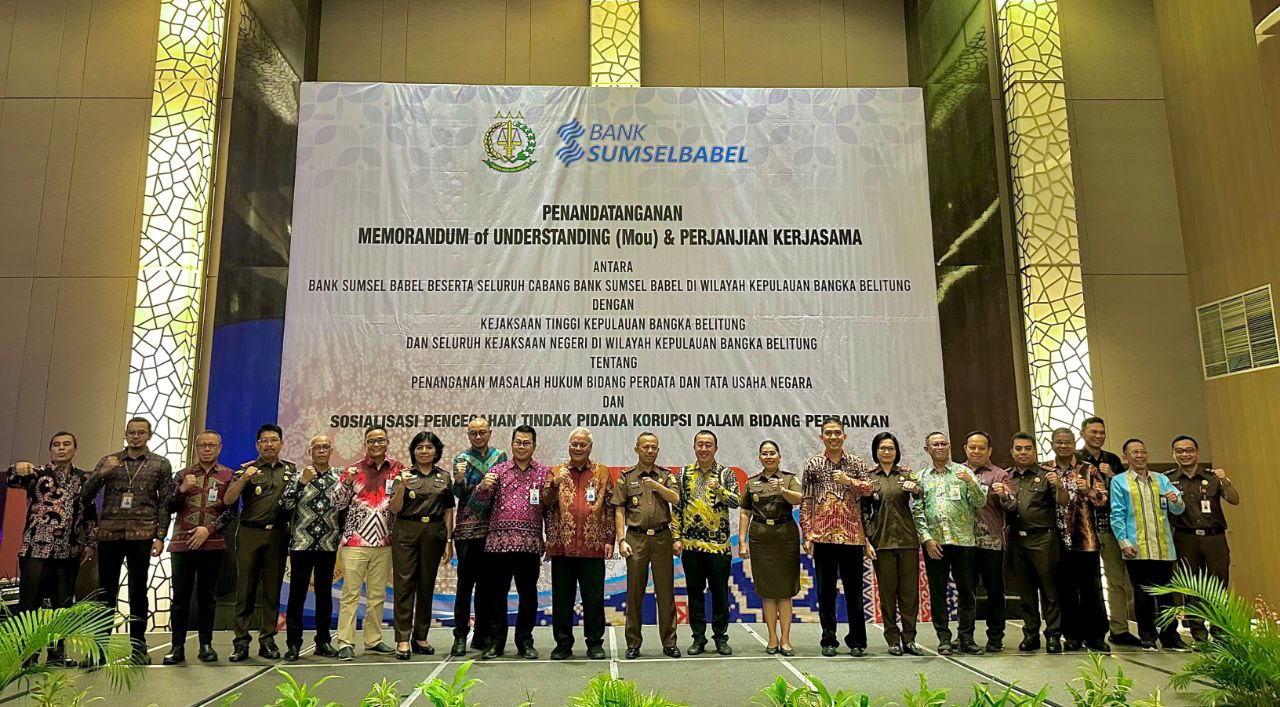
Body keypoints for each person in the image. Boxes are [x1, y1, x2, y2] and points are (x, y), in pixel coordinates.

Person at [82, 416, 173, 663]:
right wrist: (102, 474)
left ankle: (138, 647)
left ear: (149, 435)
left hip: (142, 534)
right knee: (105, 592)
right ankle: (99, 648)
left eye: (141, 433)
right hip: (109, 533)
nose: (136, 436)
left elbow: (165, 503)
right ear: (125, 434)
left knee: (137, 592)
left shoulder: (160, 464)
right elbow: (85, 495)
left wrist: (161, 535)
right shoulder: (109, 460)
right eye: (131, 432)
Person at [8, 431, 96, 666]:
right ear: (50, 450)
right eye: (56, 444)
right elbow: (12, 479)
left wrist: (89, 543)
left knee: (63, 606)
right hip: (35, 549)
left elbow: (89, 513)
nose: (61, 448)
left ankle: (57, 654)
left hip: (68, 550)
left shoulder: (83, 479)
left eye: (66, 444)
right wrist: (18, 467)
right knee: (30, 605)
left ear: (75, 450)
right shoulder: (37, 474)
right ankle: (28, 653)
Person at [800, 418, 874, 657]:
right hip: (823, 537)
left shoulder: (856, 463)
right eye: (828, 433)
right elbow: (807, 501)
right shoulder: (813, 465)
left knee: (854, 591)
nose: (833, 437)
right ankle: (828, 639)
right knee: (826, 592)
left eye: (837, 433)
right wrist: (807, 533)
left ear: (845, 436)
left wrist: (849, 481)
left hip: (852, 536)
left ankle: (857, 640)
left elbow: (869, 490)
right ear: (821, 437)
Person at [224, 423, 298, 662]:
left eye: (273, 440)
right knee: (245, 589)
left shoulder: (291, 470)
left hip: (277, 534)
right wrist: (244, 479)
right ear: (257, 445)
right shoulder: (247, 469)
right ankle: (241, 642)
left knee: (271, 590)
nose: (269, 444)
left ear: (281, 443)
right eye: (264, 440)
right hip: (249, 533)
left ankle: (267, 640)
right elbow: (228, 499)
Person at [474, 425, 548, 660]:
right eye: (518, 442)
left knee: (528, 596)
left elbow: (550, 508)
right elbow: (481, 500)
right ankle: (496, 642)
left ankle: (525, 641)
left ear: (534, 446)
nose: (521, 446)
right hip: (499, 544)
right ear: (512, 444)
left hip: (529, 545)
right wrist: (483, 486)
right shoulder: (499, 471)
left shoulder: (544, 473)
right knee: (497, 596)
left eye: (526, 443)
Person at [164, 430, 235, 664]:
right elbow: (169, 506)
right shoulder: (182, 475)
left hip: (212, 544)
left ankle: (206, 644)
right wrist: (181, 490)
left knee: (207, 596)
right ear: (196, 447)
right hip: (182, 545)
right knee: (180, 597)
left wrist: (209, 529)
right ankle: (177, 647)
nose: (207, 449)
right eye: (203, 445)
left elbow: (230, 511)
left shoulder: (228, 475)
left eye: (211, 445)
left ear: (219, 448)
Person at [1110, 438, 1187, 652]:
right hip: (1136, 547)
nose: (1139, 456)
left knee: (1166, 594)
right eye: (1134, 452)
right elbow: (1117, 514)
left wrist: (1176, 501)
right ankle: (1147, 635)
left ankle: (1170, 636)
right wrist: (1124, 542)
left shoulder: (1161, 479)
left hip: (1163, 546)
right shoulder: (1119, 481)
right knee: (1142, 594)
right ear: (1126, 457)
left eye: (1143, 452)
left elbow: (1178, 509)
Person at [544, 428, 615, 661]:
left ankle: (595, 643)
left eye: (582, 444)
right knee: (562, 599)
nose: (577, 448)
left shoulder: (602, 472)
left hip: (592, 545)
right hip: (562, 546)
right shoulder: (555, 471)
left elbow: (610, 509)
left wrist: (609, 539)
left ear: (590, 447)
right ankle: (563, 644)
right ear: (568, 446)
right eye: (574, 444)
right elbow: (544, 503)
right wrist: (554, 484)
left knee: (593, 599)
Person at [334, 426, 403, 661]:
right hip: (355, 541)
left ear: (387, 442)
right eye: (371, 440)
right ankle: (345, 641)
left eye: (380, 440)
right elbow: (338, 503)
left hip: (384, 541)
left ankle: (373, 640)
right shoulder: (354, 469)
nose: (376, 444)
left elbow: (401, 503)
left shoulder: (398, 469)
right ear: (365, 444)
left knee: (377, 595)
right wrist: (347, 483)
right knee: (351, 594)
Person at [915, 431, 985, 656]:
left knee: (967, 592)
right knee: (938, 592)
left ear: (950, 446)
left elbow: (980, 502)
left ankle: (966, 637)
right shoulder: (921, 477)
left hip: (963, 541)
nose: (941, 447)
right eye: (935, 444)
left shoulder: (964, 472)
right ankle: (944, 638)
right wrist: (926, 539)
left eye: (944, 443)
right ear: (927, 450)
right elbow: (917, 512)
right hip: (935, 544)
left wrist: (971, 484)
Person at [613, 432, 681, 659]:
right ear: (637, 449)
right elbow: (620, 509)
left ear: (658, 450)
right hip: (636, 539)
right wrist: (621, 539)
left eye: (654, 447)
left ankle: (669, 642)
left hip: (662, 538)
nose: (650, 451)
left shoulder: (666, 476)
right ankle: (633, 643)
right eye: (646, 447)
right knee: (634, 593)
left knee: (665, 593)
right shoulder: (626, 477)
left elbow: (676, 499)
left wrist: (655, 486)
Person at [1166, 435, 1239, 642]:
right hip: (1184, 537)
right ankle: (1198, 633)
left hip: (1214, 538)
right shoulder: (1168, 479)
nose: (1185, 454)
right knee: (1191, 586)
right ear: (1174, 454)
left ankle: (1220, 631)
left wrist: (1225, 480)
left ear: (1197, 452)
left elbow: (1234, 499)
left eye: (1189, 450)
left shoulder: (1213, 477)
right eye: (1179, 451)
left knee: (1218, 584)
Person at [675, 429, 741, 656]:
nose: (704, 449)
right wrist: (676, 537)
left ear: (715, 448)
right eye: (700, 445)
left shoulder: (726, 473)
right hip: (691, 545)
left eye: (708, 445)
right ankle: (698, 638)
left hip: (719, 545)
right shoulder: (683, 474)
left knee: (720, 593)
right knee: (694, 593)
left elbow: (736, 501)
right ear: (694, 447)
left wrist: (719, 490)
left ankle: (721, 638)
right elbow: (677, 506)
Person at [390, 431, 455, 659]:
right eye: (419, 447)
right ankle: (402, 638)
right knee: (404, 584)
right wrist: (401, 487)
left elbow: (448, 510)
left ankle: (421, 636)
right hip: (407, 531)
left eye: (429, 447)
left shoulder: (444, 477)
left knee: (426, 584)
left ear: (436, 451)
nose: (424, 451)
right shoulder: (403, 475)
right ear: (413, 451)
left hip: (434, 532)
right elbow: (395, 508)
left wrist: (448, 540)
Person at [284, 435, 348, 661]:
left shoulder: (339, 476)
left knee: (324, 594)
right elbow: (287, 504)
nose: (321, 451)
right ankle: (293, 643)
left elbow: (345, 506)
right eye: (317, 447)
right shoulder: (298, 475)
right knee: (297, 594)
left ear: (331, 451)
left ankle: (323, 641)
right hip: (302, 543)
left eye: (325, 447)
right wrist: (302, 483)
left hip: (328, 543)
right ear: (310, 451)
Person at [863, 432, 925, 656]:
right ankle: (892, 638)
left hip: (908, 540)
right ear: (876, 451)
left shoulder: (907, 474)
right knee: (888, 594)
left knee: (909, 594)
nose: (887, 452)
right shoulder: (869, 478)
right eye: (882, 448)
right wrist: (869, 538)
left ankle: (909, 639)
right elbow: (864, 511)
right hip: (882, 542)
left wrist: (916, 489)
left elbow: (922, 499)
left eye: (891, 448)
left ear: (896, 451)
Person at [1079, 416, 1139, 647]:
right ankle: (1091, 631)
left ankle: (1119, 629)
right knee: (1089, 583)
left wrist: (1113, 477)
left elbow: (1127, 491)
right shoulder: (1076, 459)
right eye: (1093, 432)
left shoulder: (1112, 459)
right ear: (1083, 434)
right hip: (1083, 531)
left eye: (1101, 432)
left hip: (1110, 528)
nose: (1098, 436)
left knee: (1116, 581)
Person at [449, 417, 507, 656]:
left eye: (482, 432)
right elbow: (458, 494)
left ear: (490, 432)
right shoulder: (460, 460)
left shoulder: (500, 457)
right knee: (464, 587)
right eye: (474, 433)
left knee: (489, 587)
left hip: (493, 531)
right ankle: (460, 636)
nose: (479, 436)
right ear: (468, 435)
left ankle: (483, 636)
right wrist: (460, 479)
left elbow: (504, 489)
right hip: (466, 531)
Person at [1005, 432, 1066, 654]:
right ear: (1012, 452)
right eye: (1018, 448)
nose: (1023, 452)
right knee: (1025, 592)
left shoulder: (1047, 475)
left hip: (1043, 539)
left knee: (1049, 590)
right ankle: (1030, 633)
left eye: (1027, 448)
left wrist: (1060, 486)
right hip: (1015, 540)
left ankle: (1053, 635)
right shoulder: (1006, 477)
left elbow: (1063, 501)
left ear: (1035, 451)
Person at [739, 440, 803, 656]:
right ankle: (772, 638)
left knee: (785, 592)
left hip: (785, 537)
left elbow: (799, 499)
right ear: (759, 457)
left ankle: (785, 639)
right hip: (761, 539)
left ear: (779, 456)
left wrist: (783, 490)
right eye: (764, 453)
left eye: (772, 453)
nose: (768, 457)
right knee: (767, 592)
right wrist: (741, 540)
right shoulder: (752, 483)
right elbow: (745, 512)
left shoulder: (789, 478)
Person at [1050, 428, 1109, 653]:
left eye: (1067, 442)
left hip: (1086, 539)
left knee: (1091, 589)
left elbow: (1103, 499)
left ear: (1074, 444)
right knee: (1065, 590)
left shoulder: (1088, 469)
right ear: (1052, 444)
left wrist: (1090, 490)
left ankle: (1096, 636)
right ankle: (1071, 635)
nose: (1063, 446)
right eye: (1059, 442)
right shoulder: (1047, 469)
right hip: (1057, 541)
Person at [962, 431, 1016, 653]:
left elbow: (1012, 506)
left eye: (981, 447)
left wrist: (1004, 495)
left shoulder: (999, 475)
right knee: (966, 591)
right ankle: (965, 637)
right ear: (965, 448)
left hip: (992, 543)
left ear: (989, 451)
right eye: (972, 447)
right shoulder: (956, 472)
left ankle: (995, 637)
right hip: (963, 542)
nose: (976, 451)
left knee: (994, 591)